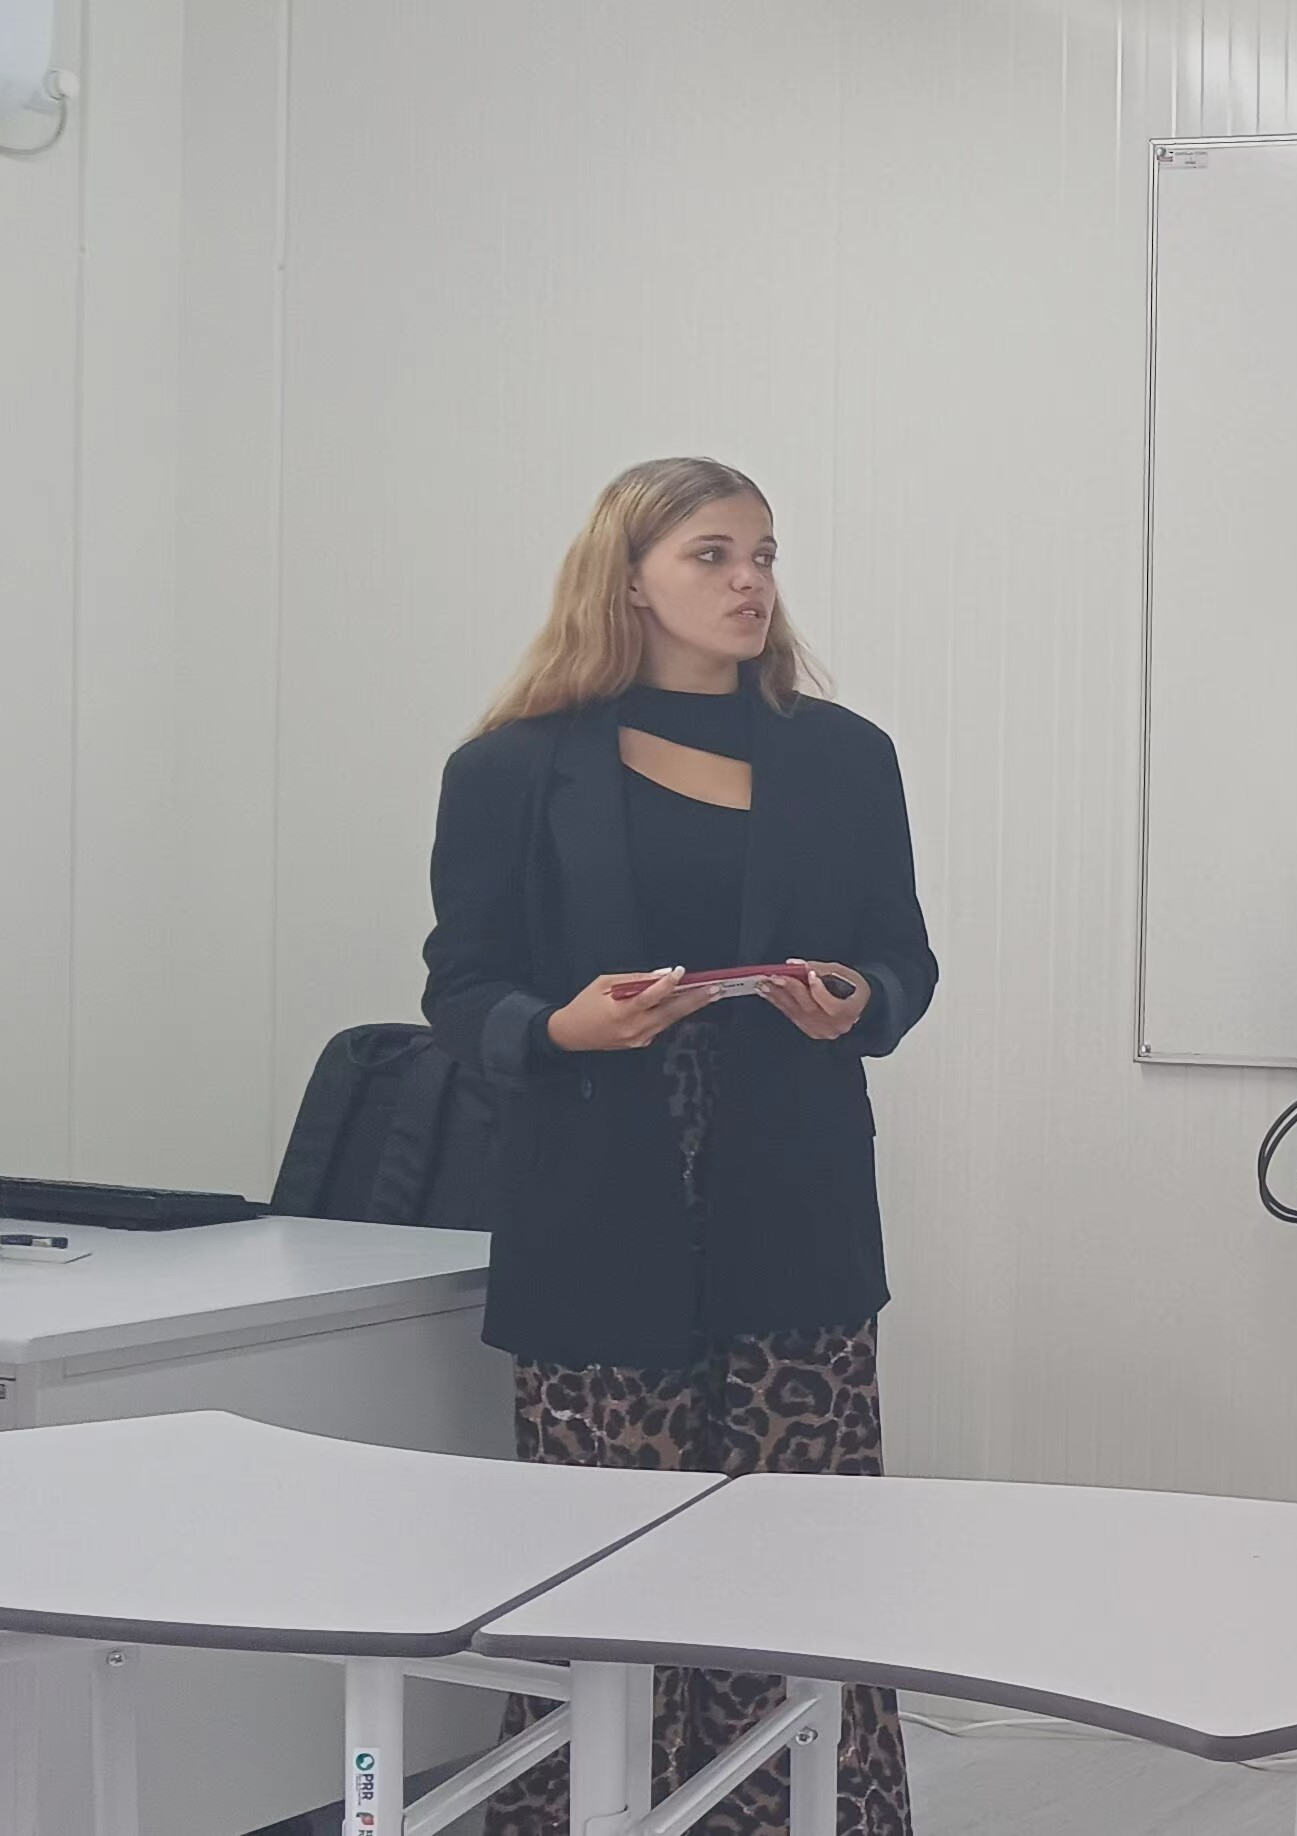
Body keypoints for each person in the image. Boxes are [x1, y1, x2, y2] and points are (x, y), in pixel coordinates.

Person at [423, 457, 931, 1836]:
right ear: (629, 577)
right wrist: (559, 1028)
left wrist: (860, 1001)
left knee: (795, 1574)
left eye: (764, 553)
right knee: (606, 1581)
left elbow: (904, 959)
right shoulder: (510, 768)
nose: (750, 580)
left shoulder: (844, 758)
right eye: (713, 554)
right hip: (599, 1211)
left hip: (794, 1207)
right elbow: (461, 988)